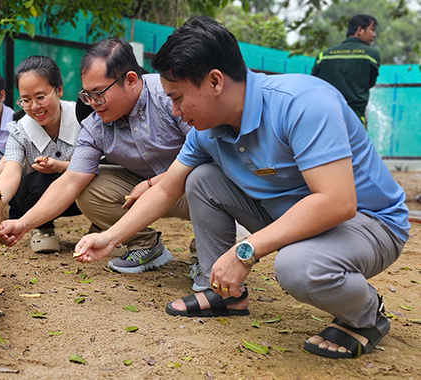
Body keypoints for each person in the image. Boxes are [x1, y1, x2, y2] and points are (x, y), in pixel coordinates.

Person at [74, 16, 408, 360]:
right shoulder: (207, 131)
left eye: (177, 98)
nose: (174, 110)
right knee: (200, 178)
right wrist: (111, 237)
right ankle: (223, 293)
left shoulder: (303, 103)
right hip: (293, 218)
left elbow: (337, 203)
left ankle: (366, 316)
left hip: (368, 223)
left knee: (296, 267)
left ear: (215, 81)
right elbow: (164, 190)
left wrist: (244, 250)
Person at [0, 38, 195, 276]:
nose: (93, 103)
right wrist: (24, 224)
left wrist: (155, 183)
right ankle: (146, 244)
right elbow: (70, 180)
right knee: (89, 188)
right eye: (87, 94)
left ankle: (207, 255)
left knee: (205, 174)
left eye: (99, 93)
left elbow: (206, 151)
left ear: (131, 80)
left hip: (193, 186)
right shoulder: (94, 124)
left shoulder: (167, 94)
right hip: (141, 191)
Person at [0, 56, 82, 253]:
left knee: (97, 177)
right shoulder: (19, 131)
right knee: (38, 181)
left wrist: (60, 166)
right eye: (25, 100)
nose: (34, 107)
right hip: (36, 197)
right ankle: (42, 227)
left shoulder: (83, 120)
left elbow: (98, 166)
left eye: (41, 97)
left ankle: (101, 225)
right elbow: (9, 175)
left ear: (59, 90)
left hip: (80, 197)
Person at [311, 14, 380, 128]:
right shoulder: (371, 55)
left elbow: (314, 83)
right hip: (354, 119)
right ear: (359, 30)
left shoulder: (323, 56)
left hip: (325, 120)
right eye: (372, 30)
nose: (374, 35)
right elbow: (369, 83)